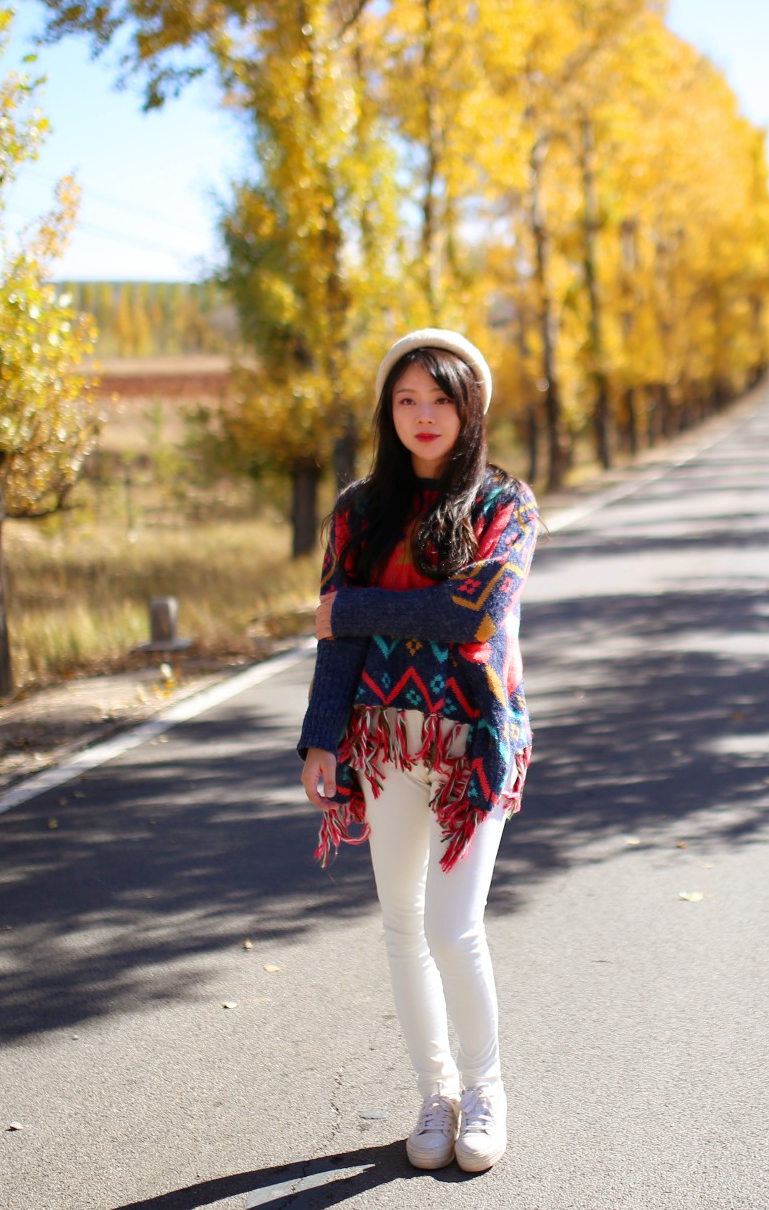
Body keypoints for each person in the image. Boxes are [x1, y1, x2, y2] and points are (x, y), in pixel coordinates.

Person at [296, 328, 541, 1175]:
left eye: (441, 399)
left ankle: (485, 1091)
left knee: (452, 924)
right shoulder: (359, 509)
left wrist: (350, 606)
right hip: (382, 735)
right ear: (386, 411)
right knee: (402, 926)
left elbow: (470, 616)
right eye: (406, 400)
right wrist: (320, 737)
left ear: (470, 407)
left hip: (474, 739)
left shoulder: (506, 504)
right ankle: (434, 1092)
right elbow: (339, 642)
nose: (424, 415)